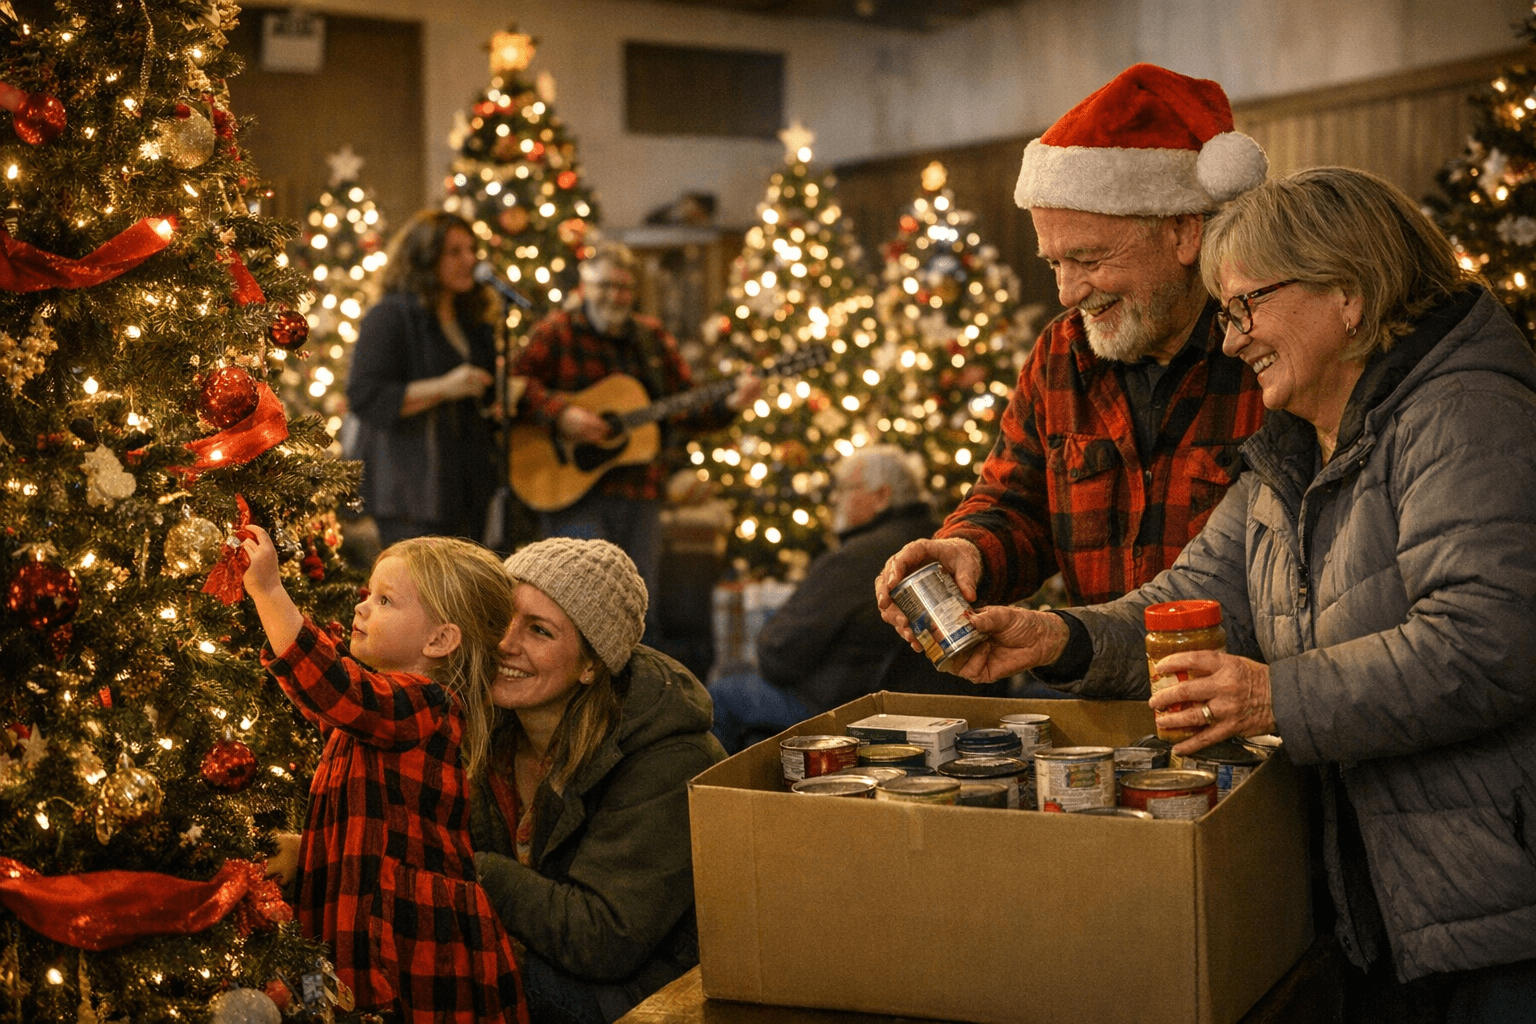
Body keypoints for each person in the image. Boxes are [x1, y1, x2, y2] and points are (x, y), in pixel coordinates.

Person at [909, 167, 1536, 1023]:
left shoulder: (1464, 416)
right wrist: (1057, 639)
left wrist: (1274, 694)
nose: (1233, 340)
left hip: (1496, 908)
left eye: (1245, 307)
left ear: (1347, 293)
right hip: (1390, 903)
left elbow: (1486, 643)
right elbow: (1192, 598)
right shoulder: (1297, 448)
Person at [876, 64, 1270, 645]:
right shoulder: (1062, 351)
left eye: (1088, 259)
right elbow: (1016, 502)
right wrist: (968, 550)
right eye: (1055, 263)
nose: (1067, 293)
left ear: (1185, 234)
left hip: (1244, 697)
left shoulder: (1265, 346)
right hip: (1099, 687)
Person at [242, 528, 528, 1024]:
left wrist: (269, 591)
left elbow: (334, 687)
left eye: (385, 600)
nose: (362, 608)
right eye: (366, 595)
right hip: (349, 917)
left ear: (440, 640)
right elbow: (321, 691)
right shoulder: (377, 712)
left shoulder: (427, 704)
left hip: (399, 938)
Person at [469, 537, 725, 1024]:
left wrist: (475, 871)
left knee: (479, 976)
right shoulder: (488, 725)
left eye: (539, 631)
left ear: (592, 664)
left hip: (653, 991)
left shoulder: (667, 756)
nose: (505, 642)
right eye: (503, 616)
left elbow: (605, 938)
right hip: (544, 954)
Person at [511, 241, 759, 641]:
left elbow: (683, 406)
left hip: (640, 492)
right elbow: (515, 386)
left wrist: (730, 401)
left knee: (638, 609)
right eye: (605, 285)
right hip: (570, 491)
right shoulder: (556, 332)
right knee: (579, 605)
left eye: (624, 287)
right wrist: (563, 416)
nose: (614, 296)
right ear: (585, 287)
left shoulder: (652, 340)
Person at [708, 445, 1005, 752]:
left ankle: (718, 797)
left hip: (851, 709)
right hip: (941, 708)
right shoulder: (947, 543)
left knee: (719, 694)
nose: (836, 499)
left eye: (845, 489)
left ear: (881, 497)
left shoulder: (855, 558)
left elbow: (779, 656)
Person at [345, 209, 506, 548]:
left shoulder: (474, 320)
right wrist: (445, 388)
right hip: (412, 491)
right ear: (424, 258)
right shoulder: (389, 316)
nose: (469, 260)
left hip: (468, 485)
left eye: (471, 249)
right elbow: (364, 395)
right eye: (454, 252)